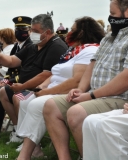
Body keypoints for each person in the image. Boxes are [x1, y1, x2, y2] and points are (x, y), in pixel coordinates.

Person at [43, 0, 128, 160]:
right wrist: (81, 90)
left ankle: (89, 156)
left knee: (75, 113)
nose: (110, 17)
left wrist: (90, 95)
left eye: (113, 14)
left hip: (119, 98)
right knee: (51, 106)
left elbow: (125, 80)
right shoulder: (109, 37)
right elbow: (92, 65)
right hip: (95, 95)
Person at [15, 16, 105, 160]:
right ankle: (29, 142)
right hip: (49, 89)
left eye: (73, 30)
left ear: (81, 33)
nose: (69, 32)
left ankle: (26, 152)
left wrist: (46, 91)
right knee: (20, 98)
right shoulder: (74, 50)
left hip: (61, 92)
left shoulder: (89, 51)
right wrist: (40, 87)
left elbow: (77, 81)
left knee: (34, 104)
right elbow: (54, 72)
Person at [0, 14, 68, 142]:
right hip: (25, 86)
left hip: (39, 89)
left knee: (18, 98)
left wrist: (23, 86)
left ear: (47, 32)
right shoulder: (33, 46)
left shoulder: (56, 47)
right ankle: (18, 129)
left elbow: (46, 75)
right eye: (32, 30)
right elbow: (12, 61)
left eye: (35, 31)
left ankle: (27, 137)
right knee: (3, 92)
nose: (32, 34)